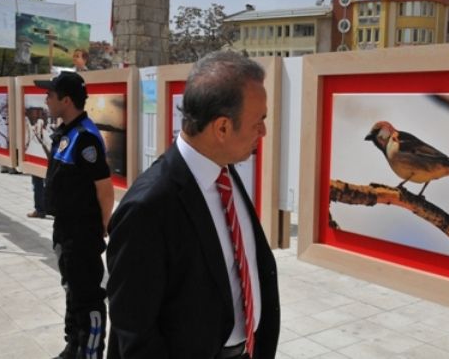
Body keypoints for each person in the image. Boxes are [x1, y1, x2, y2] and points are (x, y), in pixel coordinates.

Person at [106, 51, 280, 359]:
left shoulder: (225, 171)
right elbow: (135, 332)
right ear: (222, 128)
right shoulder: (147, 208)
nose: (263, 132)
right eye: (259, 121)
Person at [34, 71, 115, 359]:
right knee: (72, 289)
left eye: (50, 95)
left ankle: (90, 352)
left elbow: (105, 190)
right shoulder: (65, 132)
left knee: (88, 297)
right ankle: (74, 346)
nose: (46, 98)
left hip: (82, 232)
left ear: (66, 100)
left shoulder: (85, 138)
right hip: (65, 229)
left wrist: (103, 226)